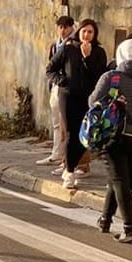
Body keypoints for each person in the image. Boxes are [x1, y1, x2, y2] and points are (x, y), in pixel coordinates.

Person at [91, 39, 132, 243]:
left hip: (115, 136)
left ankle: (130, 227)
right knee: (117, 177)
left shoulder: (112, 77)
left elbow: (93, 101)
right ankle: (105, 219)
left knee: (121, 181)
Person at [46, 19, 107, 189]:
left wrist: (87, 58)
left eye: (90, 32)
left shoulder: (99, 52)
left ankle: (70, 167)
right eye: (84, 31)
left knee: (86, 136)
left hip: (88, 98)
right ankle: (70, 171)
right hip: (69, 96)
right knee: (71, 134)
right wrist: (62, 81)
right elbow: (50, 69)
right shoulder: (68, 48)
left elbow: (100, 76)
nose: (86, 35)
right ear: (79, 32)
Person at [37, 16, 75, 168]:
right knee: (56, 123)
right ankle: (56, 153)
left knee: (65, 124)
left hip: (66, 88)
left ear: (72, 27)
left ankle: (64, 156)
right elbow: (51, 66)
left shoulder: (73, 44)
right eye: (60, 27)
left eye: (66, 27)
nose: (63, 30)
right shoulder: (55, 45)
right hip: (56, 86)